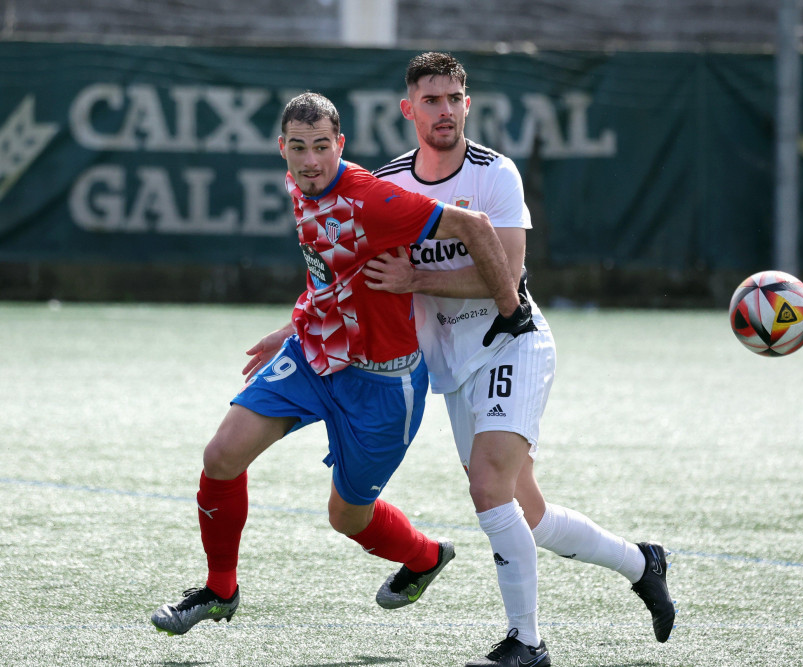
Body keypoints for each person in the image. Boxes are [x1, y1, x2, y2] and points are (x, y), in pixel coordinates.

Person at [150, 91, 534, 636]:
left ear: (341, 145)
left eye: (322, 147)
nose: (311, 161)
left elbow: (473, 227)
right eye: (299, 148)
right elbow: (331, 270)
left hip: (384, 385)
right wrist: (293, 326)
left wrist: (511, 310)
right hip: (314, 352)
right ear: (282, 149)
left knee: (345, 517)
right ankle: (219, 590)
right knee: (221, 456)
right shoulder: (300, 183)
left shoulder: (372, 200)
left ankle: (425, 557)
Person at [365, 53, 676, 666]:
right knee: (525, 514)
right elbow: (360, 273)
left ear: (467, 105)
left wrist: (416, 280)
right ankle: (642, 563)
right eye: (431, 100)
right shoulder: (388, 185)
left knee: (487, 486)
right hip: (453, 365)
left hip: (515, 342)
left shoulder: (495, 172)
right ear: (408, 110)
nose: (445, 110)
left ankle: (526, 644)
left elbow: (507, 274)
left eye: (455, 98)